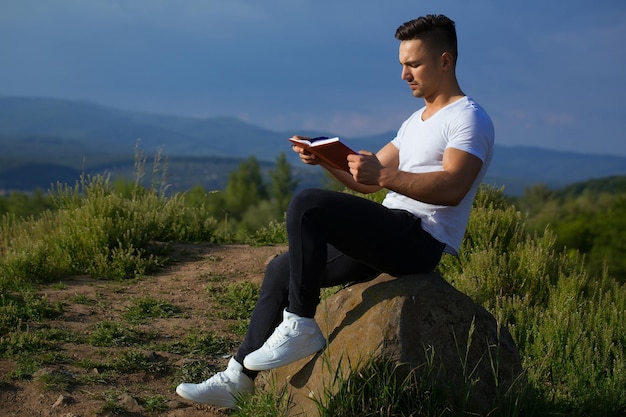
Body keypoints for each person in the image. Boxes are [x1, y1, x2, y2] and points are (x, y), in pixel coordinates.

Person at [176, 14, 494, 408]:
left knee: (308, 203)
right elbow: (368, 179)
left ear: (445, 61)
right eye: (401, 65)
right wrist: (325, 159)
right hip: (390, 233)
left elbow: (453, 187)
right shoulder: (415, 121)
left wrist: (385, 175)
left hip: (421, 239)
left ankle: (301, 324)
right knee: (280, 268)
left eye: (413, 64)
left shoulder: (468, 117)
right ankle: (238, 379)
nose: (404, 75)